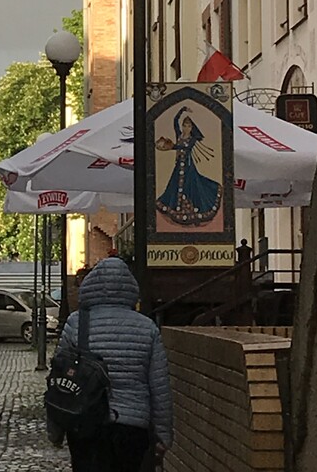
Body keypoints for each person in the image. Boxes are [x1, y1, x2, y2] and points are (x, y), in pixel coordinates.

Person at [56, 257, 173, 472]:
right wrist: (163, 434)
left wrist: (56, 429)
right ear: (130, 288)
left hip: (85, 424)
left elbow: (60, 380)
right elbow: (159, 386)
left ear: (91, 285)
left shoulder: (76, 323)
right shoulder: (147, 328)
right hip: (133, 426)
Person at [156, 105, 222, 225]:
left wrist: (172, 147)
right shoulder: (179, 135)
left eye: (189, 126)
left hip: (188, 165)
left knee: (191, 185)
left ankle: (192, 211)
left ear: (192, 128)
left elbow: (186, 148)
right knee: (175, 185)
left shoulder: (192, 139)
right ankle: (177, 208)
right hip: (179, 165)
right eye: (184, 125)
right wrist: (182, 110)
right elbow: (174, 121)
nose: (186, 128)